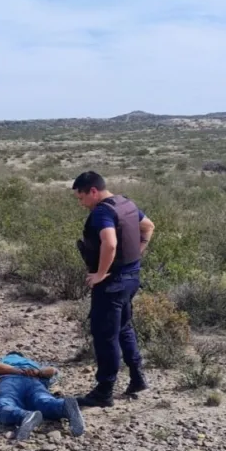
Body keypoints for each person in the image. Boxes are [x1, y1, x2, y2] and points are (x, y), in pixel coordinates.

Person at [72, 170, 155, 407]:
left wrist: (100, 274)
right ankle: (137, 378)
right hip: (131, 278)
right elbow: (148, 226)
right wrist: (136, 254)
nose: (81, 203)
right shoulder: (125, 204)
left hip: (112, 284)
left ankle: (104, 391)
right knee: (124, 328)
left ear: (94, 191)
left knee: (105, 335)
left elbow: (110, 242)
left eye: (81, 197)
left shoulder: (102, 212)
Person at [0, 352, 85, 441]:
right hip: (35, 381)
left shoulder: (2, 360)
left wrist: (18, 371)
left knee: (4, 404)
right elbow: (53, 371)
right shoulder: (34, 364)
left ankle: (23, 416)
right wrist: (38, 372)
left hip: (8, 380)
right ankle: (63, 406)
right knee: (44, 401)